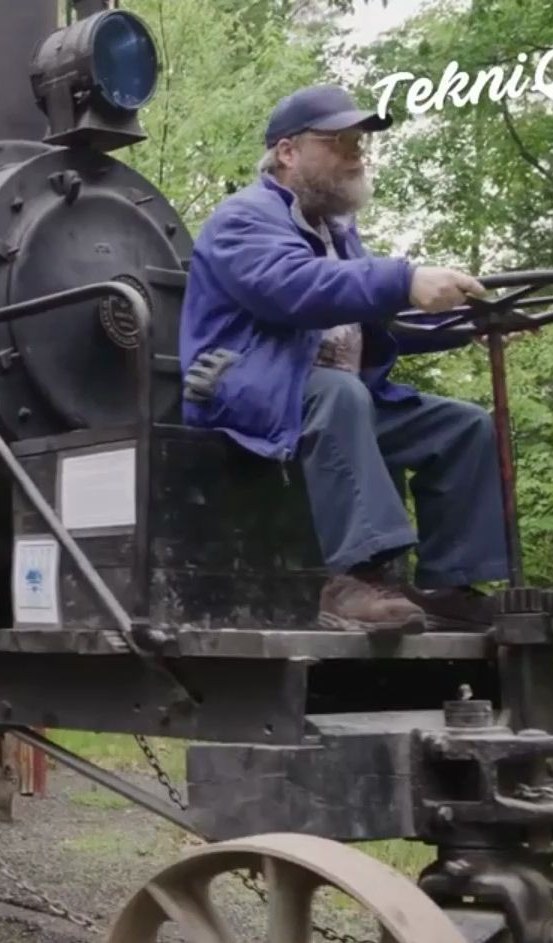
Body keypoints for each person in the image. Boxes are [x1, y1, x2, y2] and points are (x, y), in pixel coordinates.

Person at [178, 84, 508, 633]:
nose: (359, 153)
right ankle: (354, 579)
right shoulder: (243, 219)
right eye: (341, 141)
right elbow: (295, 288)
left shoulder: (337, 234)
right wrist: (404, 280)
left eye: (360, 142)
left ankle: (448, 584)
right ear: (288, 152)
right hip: (255, 393)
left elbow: (373, 319)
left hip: (330, 401)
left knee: (461, 426)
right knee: (340, 393)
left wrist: (470, 324)